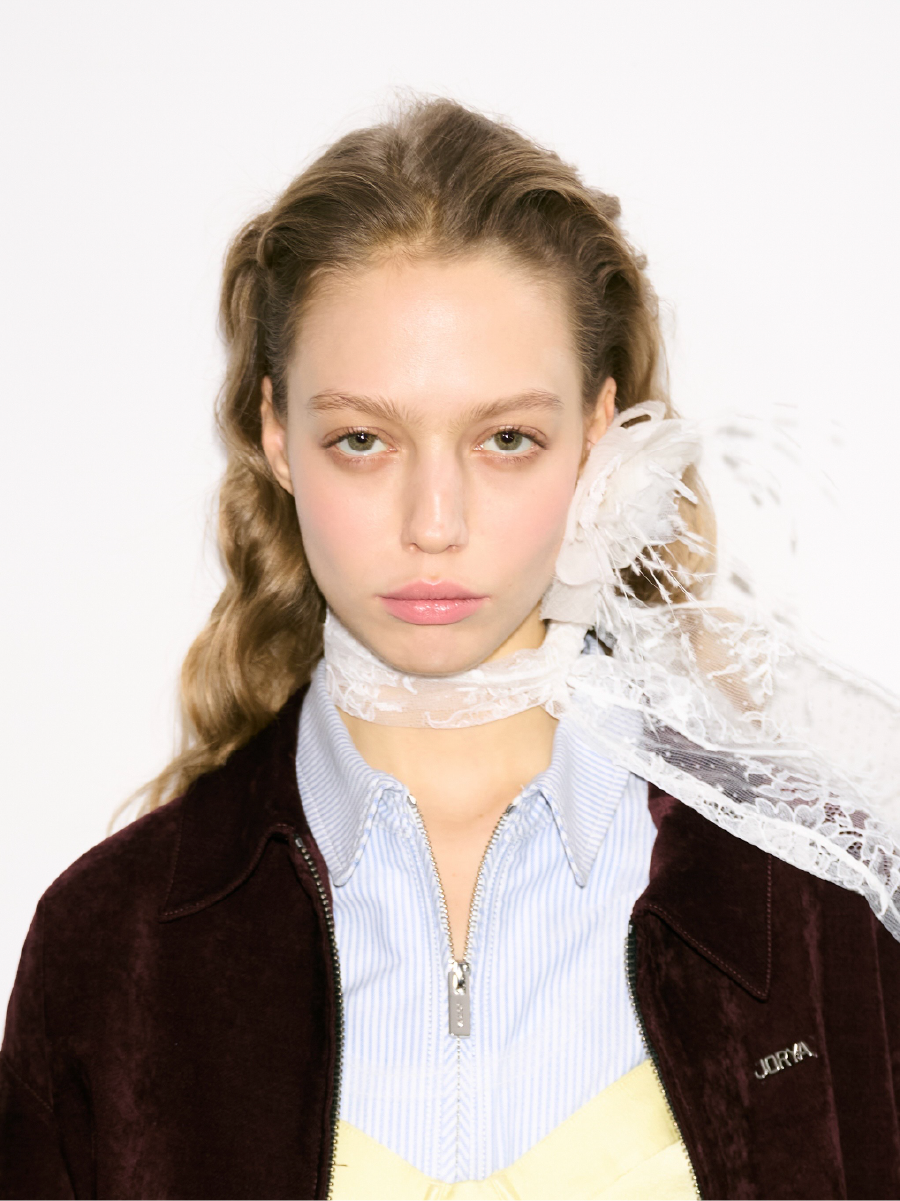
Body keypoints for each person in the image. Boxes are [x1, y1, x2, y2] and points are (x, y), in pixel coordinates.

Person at [2, 98, 899, 1201]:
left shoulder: (811, 899)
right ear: (277, 433)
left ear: (599, 433)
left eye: (506, 438)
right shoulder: (113, 948)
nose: (435, 522)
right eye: (363, 439)